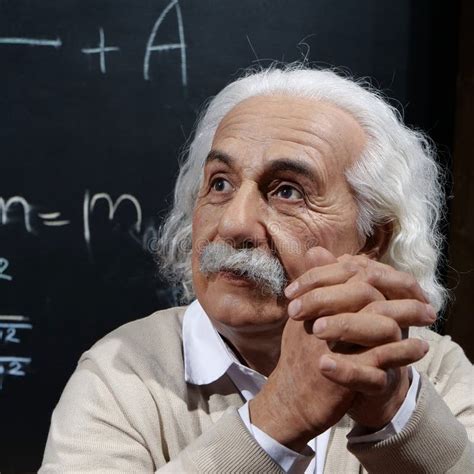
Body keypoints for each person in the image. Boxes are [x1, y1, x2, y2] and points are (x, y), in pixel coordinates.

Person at [40, 65, 474, 473]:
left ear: (372, 239)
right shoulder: (122, 373)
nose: (234, 224)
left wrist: (395, 413)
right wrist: (278, 417)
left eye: (287, 191)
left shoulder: (433, 371)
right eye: (220, 184)